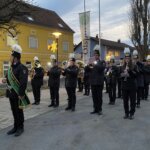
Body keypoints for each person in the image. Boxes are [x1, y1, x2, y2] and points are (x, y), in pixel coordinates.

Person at [2, 44, 29, 136]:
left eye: (12, 56)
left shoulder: (22, 68)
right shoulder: (11, 68)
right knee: (13, 110)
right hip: (11, 93)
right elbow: (8, 78)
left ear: (16, 58)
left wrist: (21, 94)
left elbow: (23, 83)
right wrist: (4, 79)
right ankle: (15, 126)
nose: (10, 57)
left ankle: (20, 127)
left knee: (19, 111)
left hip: (18, 94)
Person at [121, 48, 137, 120]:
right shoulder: (122, 66)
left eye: (128, 58)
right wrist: (123, 74)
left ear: (130, 58)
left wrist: (129, 71)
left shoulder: (133, 65)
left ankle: (132, 113)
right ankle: (126, 113)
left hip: (132, 86)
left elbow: (135, 75)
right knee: (125, 101)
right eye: (126, 58)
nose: (127, 59)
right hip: (124, 86)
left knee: (132, 101)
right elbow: (119, 75)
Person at [89, 49, 105, 115]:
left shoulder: (102, 62)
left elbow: (101, 68)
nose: (95, 56)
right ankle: (95, 109)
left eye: (97, 55)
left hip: (99, 82)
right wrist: (88, 66)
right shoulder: (92, 62)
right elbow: (88, 70)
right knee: (94, 96)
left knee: (99, 97)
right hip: (93, 82)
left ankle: (99, 109)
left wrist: (95, 64)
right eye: (95, 55)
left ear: (99, 55)